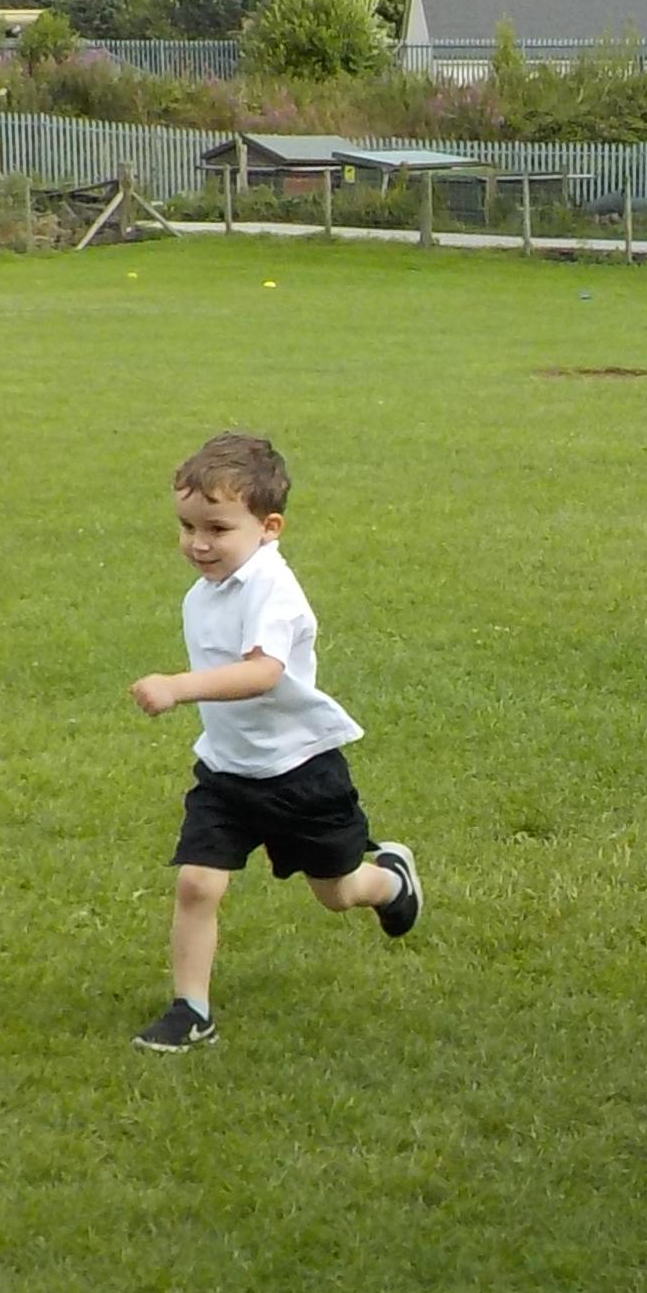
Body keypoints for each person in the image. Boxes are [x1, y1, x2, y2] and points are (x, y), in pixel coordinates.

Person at [126, 430, 420, 1049]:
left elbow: (263, 673)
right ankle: (191, 1010)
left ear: (269, 527)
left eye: (217, 528)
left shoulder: (271, 589)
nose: (198, 543)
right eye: (187, 526)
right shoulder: (205, 591)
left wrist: (178, 687)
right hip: (226, 774)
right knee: (197, 883)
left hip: (300, 772)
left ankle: (391, 881)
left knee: (337, 892)